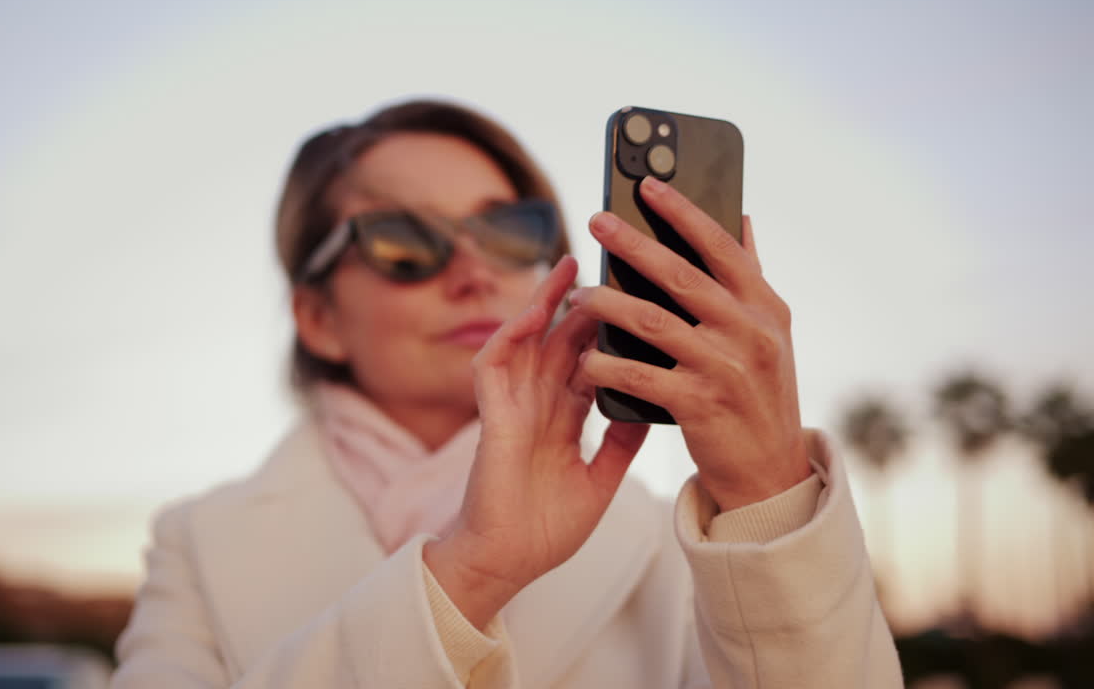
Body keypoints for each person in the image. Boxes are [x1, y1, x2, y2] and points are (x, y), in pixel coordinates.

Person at [111, 100, 902, 688]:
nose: (473, 272)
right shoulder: (194, 544)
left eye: (510, 230)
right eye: (404, 240)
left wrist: (768, 499)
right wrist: (468, 575)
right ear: (317, 318)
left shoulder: (679, 553)